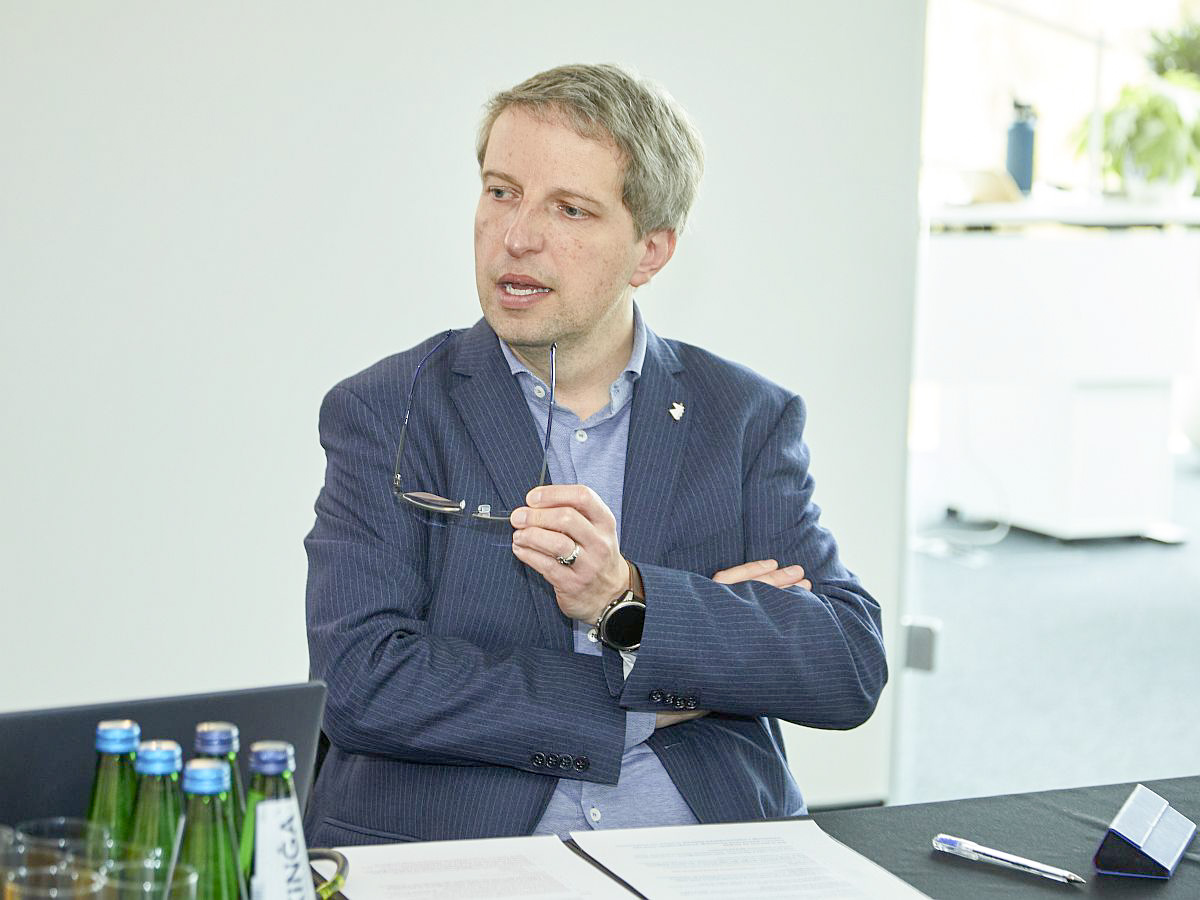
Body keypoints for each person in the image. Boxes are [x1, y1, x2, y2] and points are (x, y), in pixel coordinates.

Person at [303, 63, 886, 846]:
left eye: (570, 209)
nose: (516, 236)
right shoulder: (389, 408)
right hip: (462, 850)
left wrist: (628, 601)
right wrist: (650, 691)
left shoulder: (744, 418)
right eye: (501, 191)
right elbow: (362, 681)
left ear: (650, 252)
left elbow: (845, 663)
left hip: (706, 847)